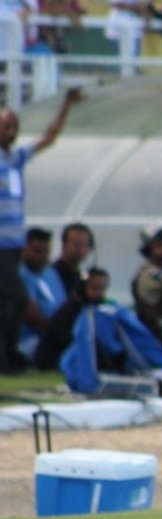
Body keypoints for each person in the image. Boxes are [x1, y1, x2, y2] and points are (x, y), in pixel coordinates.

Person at [0, 88, 83, 373]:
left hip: (13, 245)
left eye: (13, 127)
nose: (11, 132)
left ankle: (7, 358)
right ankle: (8, 354)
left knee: (6, 301)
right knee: (18, 298)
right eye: (5, 126)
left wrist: (66, 107)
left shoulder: (16, 159)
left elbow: (48, 138)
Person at [33, 266, 109, 371]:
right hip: (53, 359)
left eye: (102, 289)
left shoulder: (93, 308)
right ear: (83, 287)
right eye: (94, 288)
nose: (99, 294)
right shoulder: (72, 309)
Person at [17, 227, 63, 362]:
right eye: (37, 251)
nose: (42, 256)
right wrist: (59, 335)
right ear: (24, 249)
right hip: (30, 340)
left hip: (54, 335)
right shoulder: (20, 274)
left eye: (46, 251)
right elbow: (32, 316)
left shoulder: (50, 273)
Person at [50, 222, 94, 302]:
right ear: (64, 245)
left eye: (85, 244)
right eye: (76, 244)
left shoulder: (82, 275)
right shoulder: (52, 274)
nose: (81, 249)